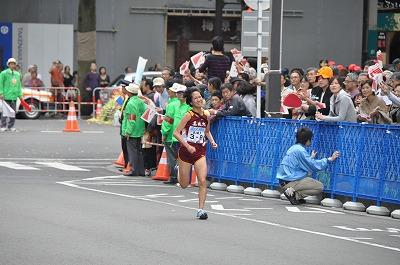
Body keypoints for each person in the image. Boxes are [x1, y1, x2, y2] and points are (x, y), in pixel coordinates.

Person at [173, 87, 218, 219]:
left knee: (202, 180)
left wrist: (212, 141)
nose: (199, 99)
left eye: (200, 97)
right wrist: (187, 146)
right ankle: (178, 170)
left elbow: (207, 131)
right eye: (196, 98)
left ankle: (200, 210)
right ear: (191, 102)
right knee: (184, 185)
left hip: (200, 151)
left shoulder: (206, 115)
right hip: (186, 153)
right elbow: (176, 132)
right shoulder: (189, 115)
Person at [277, 127, 340, 205]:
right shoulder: (300, 150)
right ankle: (294, 193)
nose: (311, 141)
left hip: (284, 181)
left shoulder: (294, 148)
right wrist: (329, 159)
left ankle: (293, 194)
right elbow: (314, 165)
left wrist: (310, 158)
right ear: (307, 140)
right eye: (311, 139)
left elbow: (301, 163)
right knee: (319, 186)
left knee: (309, 178)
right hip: (290, 181)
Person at [121, 83, 147, 176]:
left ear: (129, 92)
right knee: (139, 151)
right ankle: (141, 171)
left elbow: (131, 119)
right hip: (140, 129)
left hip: (132, 131)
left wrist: (127, 131)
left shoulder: (131, 103)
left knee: (132, 151)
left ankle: (134, 170)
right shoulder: (140, 101)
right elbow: (145, 113)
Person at [161, 83, 182, 184]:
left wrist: (164, 133)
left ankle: (173, 176)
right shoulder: (182, 104)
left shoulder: (171, 104)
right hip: (181, 135)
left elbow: (168, 121)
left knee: (172, 157)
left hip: (171, 135)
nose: (169, 92)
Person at [0, 58, 23, 132]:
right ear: (8, 65)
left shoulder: (17, 74)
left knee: (13, 112)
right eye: (11, 64)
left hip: (14, 97)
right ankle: (3, 126)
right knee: (5, 112)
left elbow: (19, 86)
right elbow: (1, 84)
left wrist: (20, 95)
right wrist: (1, 93)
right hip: (6, 96)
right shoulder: (3, 73)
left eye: (14, 64)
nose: (13, 65)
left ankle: (11, 126)